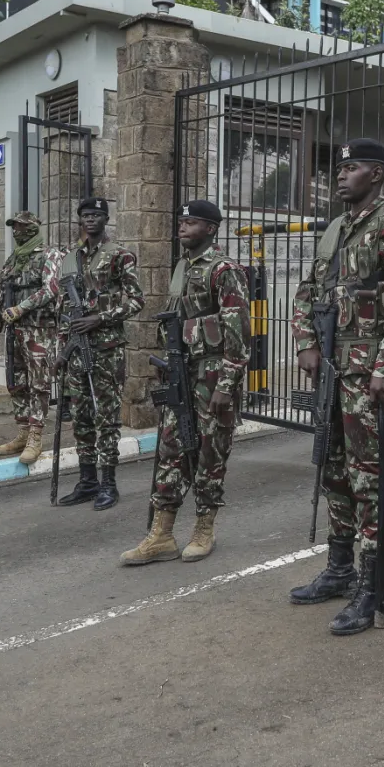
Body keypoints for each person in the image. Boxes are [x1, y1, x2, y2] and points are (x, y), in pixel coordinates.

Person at [287, 139, 384, 635]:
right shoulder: (334, 231)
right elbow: (308, 291)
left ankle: (372, 588)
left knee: (369, 477)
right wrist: (304, 340)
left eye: (353, 167)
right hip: (330, 367)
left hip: (367, 372)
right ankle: (340, 568)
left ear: (378, 175)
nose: (342, 175)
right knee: (333, 468)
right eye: (339, 168)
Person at [121, 200, 250, 565]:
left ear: (210, 229)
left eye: (190, 222)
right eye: (181, 221)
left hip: (213, 376)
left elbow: (238, 333)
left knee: (210, 451)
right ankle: (161, 534)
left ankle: (204, 527)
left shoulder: (224, 270)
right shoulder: (182, 267)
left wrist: (227, 383)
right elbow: (175, 322)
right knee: (170, 450)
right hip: (182, 373)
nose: (182, 227)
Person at [48, 197, 144, 510]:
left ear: (105, 219)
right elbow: (63, 307)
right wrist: (62, 349)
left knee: (107, 418)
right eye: (86, 216)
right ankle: (87, 481)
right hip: (76, 350)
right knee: (81, 417)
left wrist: (100, 318)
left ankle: (109, 484)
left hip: (106, 349)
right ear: (80, 220)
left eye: (97, 216)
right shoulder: (70, 257)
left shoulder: (119, 255)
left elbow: (136, 301)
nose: (91, 220)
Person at [0, 211, 59, 466]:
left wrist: (23, 307)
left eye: (21, 226)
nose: (16, 231)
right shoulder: (12, 260)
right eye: (14, 226)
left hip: (40, 330)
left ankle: (36, 436)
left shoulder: (49, 255)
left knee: (38, 384)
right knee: (16, 382)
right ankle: (22, 432)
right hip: (14, 332)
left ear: (33, 228)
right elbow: (1, 296)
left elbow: (51, 288)